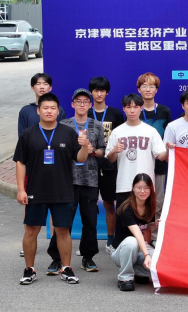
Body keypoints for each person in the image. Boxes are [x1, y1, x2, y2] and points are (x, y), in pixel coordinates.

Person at [14, 93, 89, 285]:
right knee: (31, 230)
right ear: (38, 110)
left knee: (63, 230)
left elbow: (80, 159)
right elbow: (20, 162)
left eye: (53, 108)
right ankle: (29, 269)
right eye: (45, 108)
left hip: (62, 189)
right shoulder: (28, 134)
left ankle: (67, 268)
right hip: (35, 189)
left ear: (58, 111)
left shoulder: (68, 133)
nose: (49, 111)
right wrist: (21, 189)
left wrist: (84, 147)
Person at [47, 88, 106, 274]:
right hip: (67, 180)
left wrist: (92, 150)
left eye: (85, 102)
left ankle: (88, 258)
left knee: (90, 221)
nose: (82, 104)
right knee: (63, 221)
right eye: (78, 101)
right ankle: (56, 259)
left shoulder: (97, 125)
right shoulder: (63, 125)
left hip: (90, 179)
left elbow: (103, 151)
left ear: (90, 105)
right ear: (72, 104)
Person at [105, 94, 168, 209]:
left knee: (145, 219)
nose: (132, 111)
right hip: (124, 185)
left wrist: (169, 149)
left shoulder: (151, 131)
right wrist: (114, 151)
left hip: (146, 186)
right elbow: (111, 159)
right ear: (124, 109)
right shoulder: (117, 132)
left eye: (135, 107)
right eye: (129, 107)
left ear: (141, 108)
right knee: (124, 218)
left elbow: (161, 155)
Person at [88, 76, 125, 253]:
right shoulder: (87, 113)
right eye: (96, 90)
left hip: (110, 167)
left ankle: (110, 240)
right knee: (89, 206)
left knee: (110, 204)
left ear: (107, 92)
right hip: (89, 166)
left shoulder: (115, 114)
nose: (99, 94)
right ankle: (88, 241)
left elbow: (121, 138)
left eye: (102, 90)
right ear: (91, 92)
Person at [136, 72, 171, 243]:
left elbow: (169, 136)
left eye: (152, 86)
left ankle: (156, 237)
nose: (148, 89)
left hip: (159, 164)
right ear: (139, 89)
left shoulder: (164, 111)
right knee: (139, 200)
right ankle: (138, 236)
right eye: (144, 86)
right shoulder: (135, 110)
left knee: (158, 201)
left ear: (156, 90)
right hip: (139, 164)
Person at [111, 174, 156, 292]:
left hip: (139, 249)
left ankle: (139, 272)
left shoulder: (150, 206)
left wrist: (152, 225)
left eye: (146, 188)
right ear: (133, 188)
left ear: (151, 189)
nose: (143, 191)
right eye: (139, 188)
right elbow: (137, 233)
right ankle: (125, 278)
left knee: (159, 263)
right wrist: (146, 255)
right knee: (132, 241)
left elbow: (144, 231)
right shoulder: (127, 208)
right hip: (121, 251)